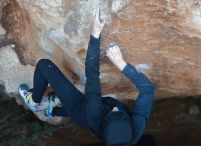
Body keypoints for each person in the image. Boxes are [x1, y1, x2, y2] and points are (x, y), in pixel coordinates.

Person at [18, 8, 155, 146]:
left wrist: (94, 35)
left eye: (113, 112)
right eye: (120, 112)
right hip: (94, 116)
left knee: (44, 66)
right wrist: (122, 65)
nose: (116, 108)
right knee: (69, 108)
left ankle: (35, 103)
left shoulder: (94, 111)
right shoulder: (135, 130)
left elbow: (92, 74)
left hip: (85, 114)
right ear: (131, 125)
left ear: (105, 119)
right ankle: (51, 109)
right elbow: (147, 90)